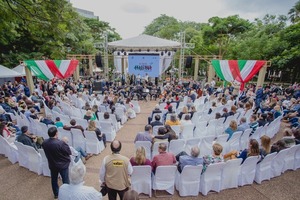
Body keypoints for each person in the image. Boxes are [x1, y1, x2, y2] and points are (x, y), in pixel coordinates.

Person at [42, 127, 71, 199]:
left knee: (54, 179)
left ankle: (56, 194)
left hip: (52, 164)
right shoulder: (60, 143)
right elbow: (68, 152)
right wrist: (65, 142)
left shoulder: (44, 142)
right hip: (62, 165)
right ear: (56, 133)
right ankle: (67, 194)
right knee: (65, 180)